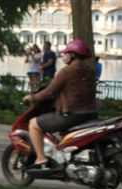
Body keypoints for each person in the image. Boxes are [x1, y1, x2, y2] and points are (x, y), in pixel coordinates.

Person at [23, 39, 99, 171]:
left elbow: (49, 91)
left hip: (71, 115)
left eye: (66, 53)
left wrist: (32, 97)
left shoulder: (66, 71)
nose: (64, 56)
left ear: (73, 55)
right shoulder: (90, 71)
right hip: (91, 115)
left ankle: (41, 158)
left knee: (34, 124)